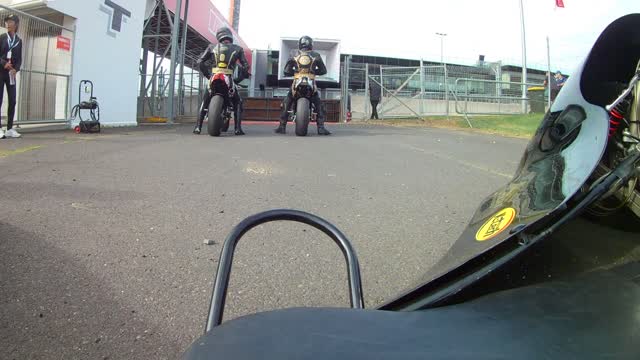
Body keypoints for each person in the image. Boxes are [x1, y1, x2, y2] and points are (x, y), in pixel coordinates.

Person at [194, 27, 249, 135]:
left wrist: (208, 75)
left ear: (219, 36)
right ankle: (237, 129)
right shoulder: (238, 49)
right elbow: (246, 66)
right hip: (228, 77)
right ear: (230, 36)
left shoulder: (212, 47)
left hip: (214, 76)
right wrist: (238, 79)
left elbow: (200, 61)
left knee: (205, 101)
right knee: (238, 102)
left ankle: (198, 127)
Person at [275, 36, 331, 135]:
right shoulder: (316, 55)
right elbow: (323, 71)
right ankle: (321, 128)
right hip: (311, 82)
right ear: (311, 44)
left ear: (300, 44)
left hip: (297, 81)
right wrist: (313, 71)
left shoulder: (293, 54)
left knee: (287, 101)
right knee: (318, 103)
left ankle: (282, 126)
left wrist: (295, 71)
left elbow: (286, 71)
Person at [0, 14, 22, 139]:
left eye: (11, 21)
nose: (8, 23)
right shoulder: (2, 37)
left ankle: (9, 129)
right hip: (1, 72)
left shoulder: (19, 41)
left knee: (12, 100)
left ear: (16, 24)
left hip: (11, 74)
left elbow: (19, 59)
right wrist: (4, 63)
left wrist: (16, 69)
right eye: (7, 21)